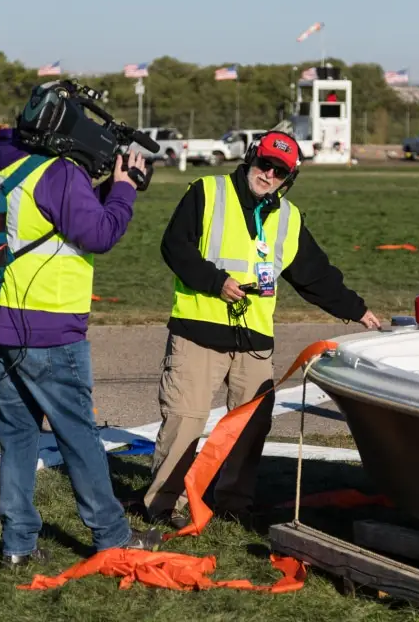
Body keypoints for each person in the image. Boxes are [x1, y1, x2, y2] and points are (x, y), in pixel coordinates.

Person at [143, 130, 381, 527]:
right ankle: (164, 505)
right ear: (251, 158)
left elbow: (314, 274)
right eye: (264, 163)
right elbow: (175, 247)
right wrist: (215, 281)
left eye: (279, 171)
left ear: (288, 178)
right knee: (184, 421)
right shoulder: (208, 192)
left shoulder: (288, 217)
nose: (268, 174)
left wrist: (357, 310)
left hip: (254, 342)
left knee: (251, 426)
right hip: (198, 330)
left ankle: (233, 502)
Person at [0, 89, 162, 568]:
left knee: (17, 437)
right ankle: (112, 536)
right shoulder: (58, 172)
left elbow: (56, 221)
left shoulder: (5, 167)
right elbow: (99, 234)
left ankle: (17, 543)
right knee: (78, 436)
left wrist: (106, 192)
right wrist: (124, 190)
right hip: (49, 328)